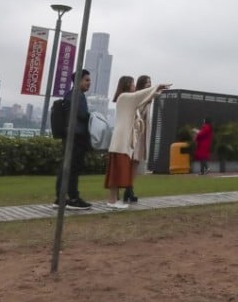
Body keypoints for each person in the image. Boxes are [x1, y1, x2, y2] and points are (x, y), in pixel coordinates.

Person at [105, 75, 170, 209]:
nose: (134, 87)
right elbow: (139, 96)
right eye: (133, 84)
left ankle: (114, 200)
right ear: (127, 85)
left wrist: (155, 92)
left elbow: (141, 99)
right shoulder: (124, 97)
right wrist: (157, 87)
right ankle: (112, 200)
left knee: (117, 171)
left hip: (123, 140)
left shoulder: (127, 99)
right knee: (117, 172)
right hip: (121, 140)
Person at [54, 70, 93, 210]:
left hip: (70, 136)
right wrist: (92, 117)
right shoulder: (78, 95)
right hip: (76, 137)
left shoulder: (70, 94)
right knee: (73, 168)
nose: (89, 83)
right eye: (86, 80)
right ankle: (73, 198)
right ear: (78, 81)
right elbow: (82, 115)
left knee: (65, 167)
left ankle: (60, 197)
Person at [123, 74, 157, 203]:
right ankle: (127, 187)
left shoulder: (147, 99)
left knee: (136, 162)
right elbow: (138, 114)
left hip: (141, 134)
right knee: (131, 161)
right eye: (147, 82)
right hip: (135, 133)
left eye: (150, 82)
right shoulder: (138, 97)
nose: (149, 84)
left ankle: (129, 188)